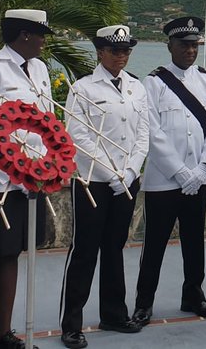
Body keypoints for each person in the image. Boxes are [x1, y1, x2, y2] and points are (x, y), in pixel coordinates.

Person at [58, 25, 150, 346]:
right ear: (100, 52)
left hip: (126, 181)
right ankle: (72, 323)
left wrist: (130, 171)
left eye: (126, 51)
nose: (121, 56)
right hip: (93, 182)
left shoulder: (137, 88)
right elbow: (77, 136)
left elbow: (143, 134)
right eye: (115, 51)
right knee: (84, 251)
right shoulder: (83, 89)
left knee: (114, 249)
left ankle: (113, 313)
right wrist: (111, 172)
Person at [0, 9, 55, 349]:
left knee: (12, 253)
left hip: (32, 180)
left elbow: (47, 122)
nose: (44, 40)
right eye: (40, 34)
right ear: (23, 36)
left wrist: (42, 170)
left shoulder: (40, 69)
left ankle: (3, 331)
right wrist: (14, 173)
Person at [131, 16, 206, 327]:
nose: (190, 50)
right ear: (169, 45)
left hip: (199, 178)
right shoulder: (154, 82)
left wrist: (202, 168)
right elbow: (152, 132)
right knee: (154, 243)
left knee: (195, 241)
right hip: (164, 180)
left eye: (194, 45)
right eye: (184, 45)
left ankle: (193, 295)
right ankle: (144, 303)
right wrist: (181, 172)